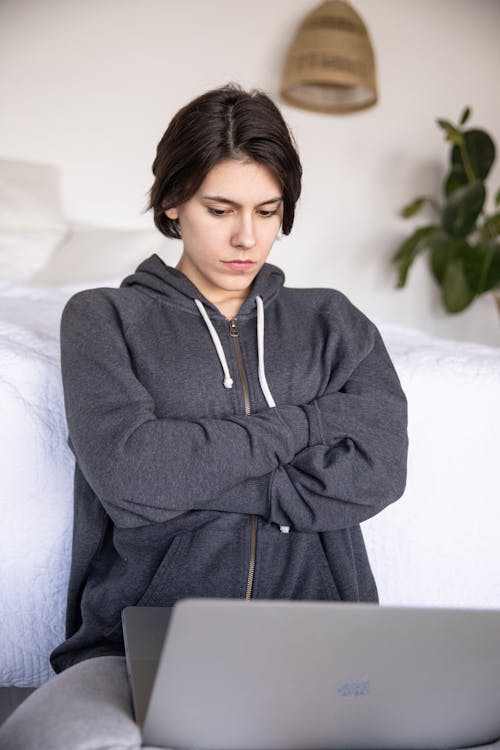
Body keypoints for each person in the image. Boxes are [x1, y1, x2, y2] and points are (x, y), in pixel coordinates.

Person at [0, 83, 408, 749]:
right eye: (220, 208)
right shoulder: (104, 318)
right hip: (135, 654)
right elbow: (134, 477)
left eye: (269, 211)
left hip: (322, 647)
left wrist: (188, 477)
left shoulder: (333, 321)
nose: (248, 236)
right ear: (173, 202)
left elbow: (378, 473)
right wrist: (308, 424)